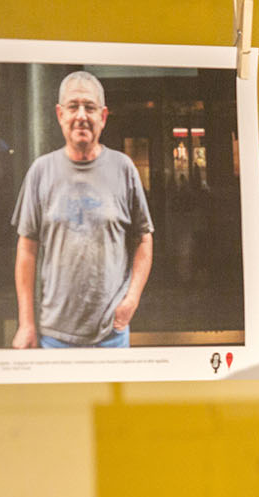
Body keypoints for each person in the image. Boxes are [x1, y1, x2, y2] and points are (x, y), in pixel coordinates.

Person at [11, 70, 153, 348]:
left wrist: (132, 299)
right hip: (54, 336)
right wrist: (26, 323)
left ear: (103, 116)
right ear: (59, 114)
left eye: (90, 107)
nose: (81, 115)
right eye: (73, 106)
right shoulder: (41, 171)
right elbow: (27, 250)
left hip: (111, 334)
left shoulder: (124, 169)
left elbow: (144, 240)